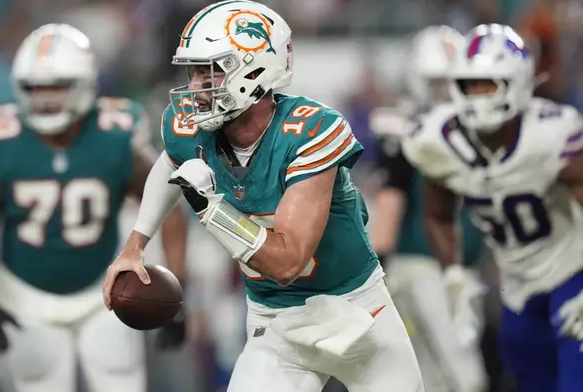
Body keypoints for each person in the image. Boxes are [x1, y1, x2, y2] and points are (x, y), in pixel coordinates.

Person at [103, 1, 423, 391]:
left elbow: (288, 262)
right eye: (195, 72)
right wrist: (136, 244)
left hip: (356, 312)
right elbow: (171, 162)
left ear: (255, 70)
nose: (196, 87)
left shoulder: (309, 131)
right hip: (274, 324)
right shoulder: (189, 128)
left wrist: (212, 211)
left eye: (211, 72)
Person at [0, 23, 187, 392]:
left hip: (104, 290)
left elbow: (168, 207)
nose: (46, 98)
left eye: (57, 86)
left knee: (121, 379)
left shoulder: (116, 131)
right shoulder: (0, 137)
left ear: (84, 83)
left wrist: (178, 285)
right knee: (41, 381)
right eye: (35, 87)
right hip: (25, 293)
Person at [402, 23, 583, 392]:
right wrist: (452, 276)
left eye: (489, 84)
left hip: (572, 273)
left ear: (517, 83)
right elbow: (437, 213)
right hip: (517, 285)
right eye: (471, 85)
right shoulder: (436, 139)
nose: (478, 96)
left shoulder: (551, 134)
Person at [369, 26, 487, 392]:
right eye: (435, 82)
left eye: (449, 82)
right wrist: (378, 265)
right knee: (465, 374)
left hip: (458, 268)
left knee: (433, 378)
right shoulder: (407, 130)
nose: (444, 92)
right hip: (423, 267)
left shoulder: (473, 128)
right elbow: (391, 198)